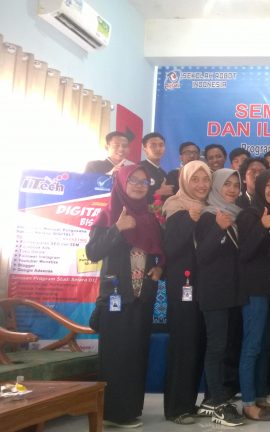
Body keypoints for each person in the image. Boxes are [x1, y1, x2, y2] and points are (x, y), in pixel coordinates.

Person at [85, 165, 164, 428]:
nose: (139, 185)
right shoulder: (109, 214)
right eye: (133, 180)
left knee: (136, 353)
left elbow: (158, 251)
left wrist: (159, 268)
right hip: (116, 297)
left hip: (142, 296)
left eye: (144, 181)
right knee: (116, 354)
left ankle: (130, 410)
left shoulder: (150, 218)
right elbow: (93, 252)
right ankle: (113, 413)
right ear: (121, 182)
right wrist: (117, 228)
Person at [161, 160, 211, 425]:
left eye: (205, 179)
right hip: (183, 287)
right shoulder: (175, 207)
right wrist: (190, 219)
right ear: (184, 181)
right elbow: (170, 247)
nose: (201, 185)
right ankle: (176, 408)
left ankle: (189, 403)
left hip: (205, 286)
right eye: (195, 179)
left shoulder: (209, 207)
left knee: (199, 343)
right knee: (184, 344)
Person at [195, 168, 246, 427]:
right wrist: (218, 229)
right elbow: (202, 256)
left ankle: (211, 398)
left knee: (225, 346)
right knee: (216, 347)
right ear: (217, 186)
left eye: (236, 185)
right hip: (214, 293)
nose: (232, 189)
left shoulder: (235, 215)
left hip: (232, 293)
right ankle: (217, 402)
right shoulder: (209, 216)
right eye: (227, 184)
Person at [236, 169, 270, 421]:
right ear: (260, 186)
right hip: (254, 289)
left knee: (266, 346)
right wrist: (261, 227)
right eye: (269, 185)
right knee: (252, 345)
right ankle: (247, 402)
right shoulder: (249, 214)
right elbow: (243, 253)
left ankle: (260, 395)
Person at [140, 132, 174, 202]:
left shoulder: (163, 173)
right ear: (145, 149)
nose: (158, 149)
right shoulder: (139, 169)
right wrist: (158, 193)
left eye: (161, 145)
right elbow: (133, 196)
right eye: (153, 145)